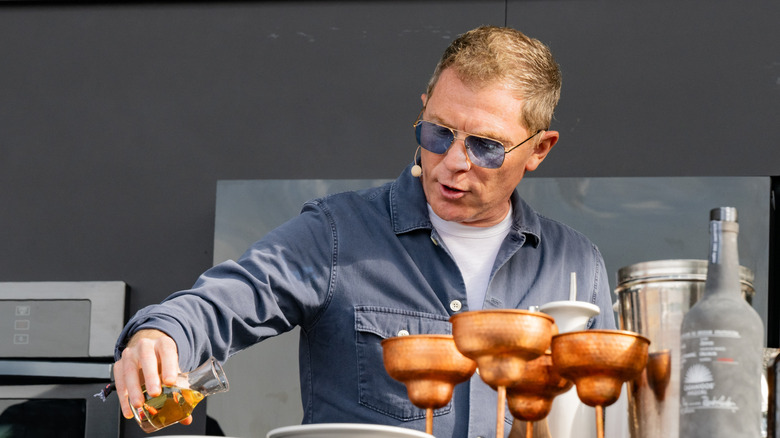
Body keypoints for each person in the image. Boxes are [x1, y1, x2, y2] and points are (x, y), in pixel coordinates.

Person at [113, 25, 616, 438]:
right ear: (421, 111)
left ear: (539, 149)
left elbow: (609, 418)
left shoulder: (577, 265)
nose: (453, 163)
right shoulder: (336, 234)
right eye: (438, 132)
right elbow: (222, 303)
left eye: (485, 146)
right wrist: (162, 333)